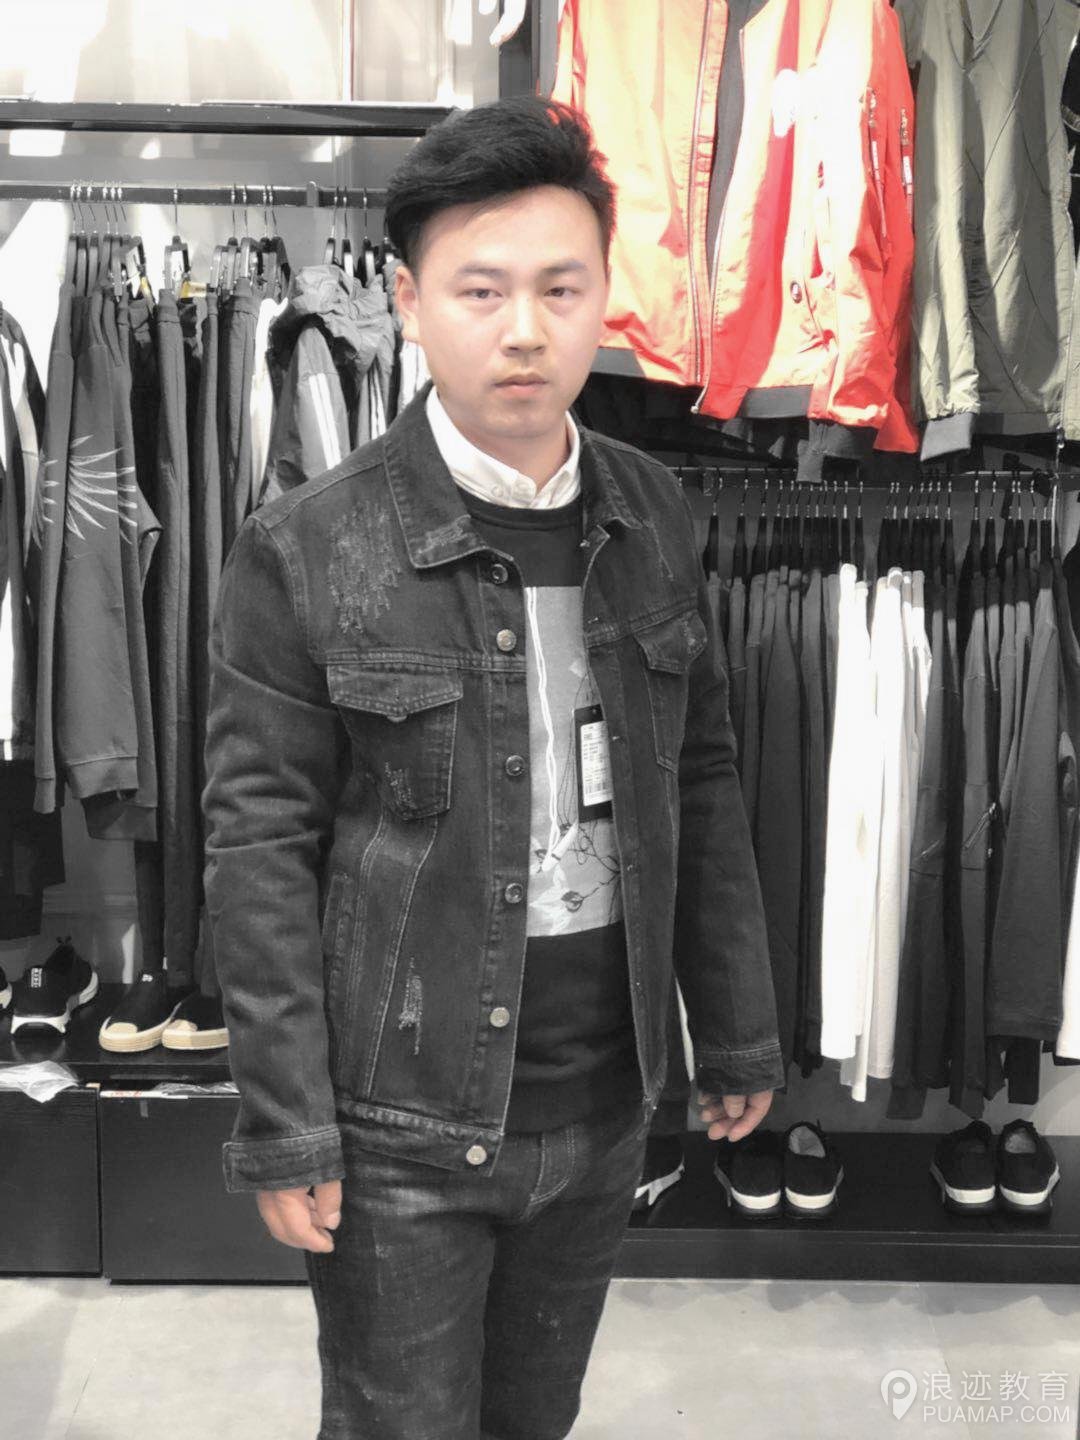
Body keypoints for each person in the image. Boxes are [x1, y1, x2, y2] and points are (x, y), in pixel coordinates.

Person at [202, 94, 785, 1440]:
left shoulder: (653, 509)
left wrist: (734, 1023)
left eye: (560, 289)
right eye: (481, 289)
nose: (525, 330)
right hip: (399, 1123)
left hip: (603, 1102)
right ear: (409, 301)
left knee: (537, 1418)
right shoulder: (308, 547)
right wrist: (288, 1123)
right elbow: (258, 845)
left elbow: (699, 776)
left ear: (602, 297)